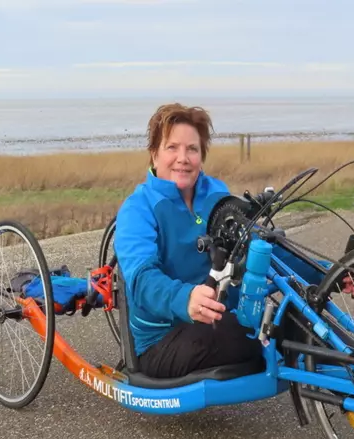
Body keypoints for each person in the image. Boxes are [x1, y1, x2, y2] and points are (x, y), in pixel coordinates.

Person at [113, 103, 334, 380]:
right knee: (255, 332)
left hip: (221, 318)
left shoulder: (216, 195)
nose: (183, 158)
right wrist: (185, 299)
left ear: (201, 156)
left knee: (300, 318)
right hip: (164, 340)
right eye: (172, 148)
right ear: (154, 154)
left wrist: (325, 273)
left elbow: (257, 248)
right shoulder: (138, 208)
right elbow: (142, 279)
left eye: (192, 149)